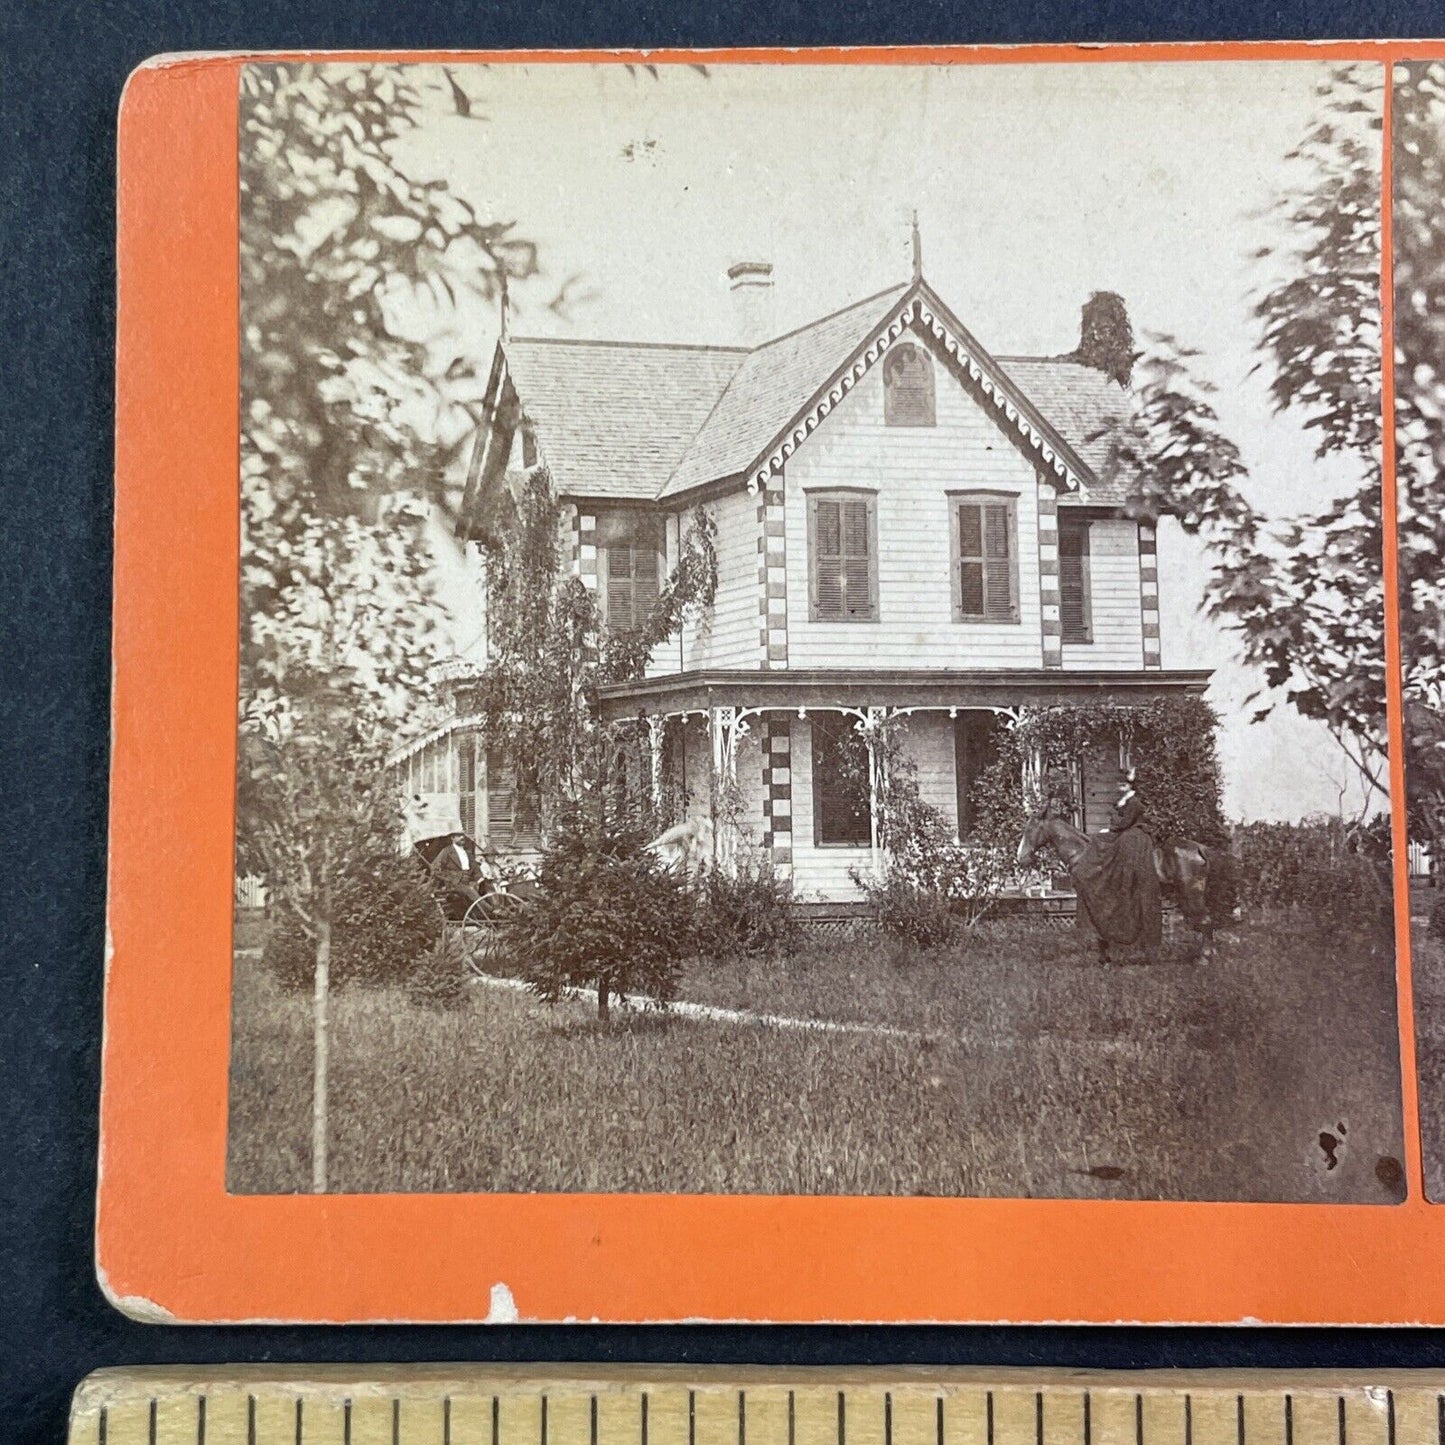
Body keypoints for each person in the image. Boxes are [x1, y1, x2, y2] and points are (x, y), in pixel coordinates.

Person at [1072, 769, 1163, 952]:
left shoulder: (1134, 802)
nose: (1120, 788)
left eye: (1123, 785)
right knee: (1099, 839)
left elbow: (1124, 823)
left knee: (1113, 842)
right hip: (1125, 832)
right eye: (1119, 785)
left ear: (1130, 786)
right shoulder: (1125, 801)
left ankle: (1121, 873)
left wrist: (1113, 822)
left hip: (1135, 836)